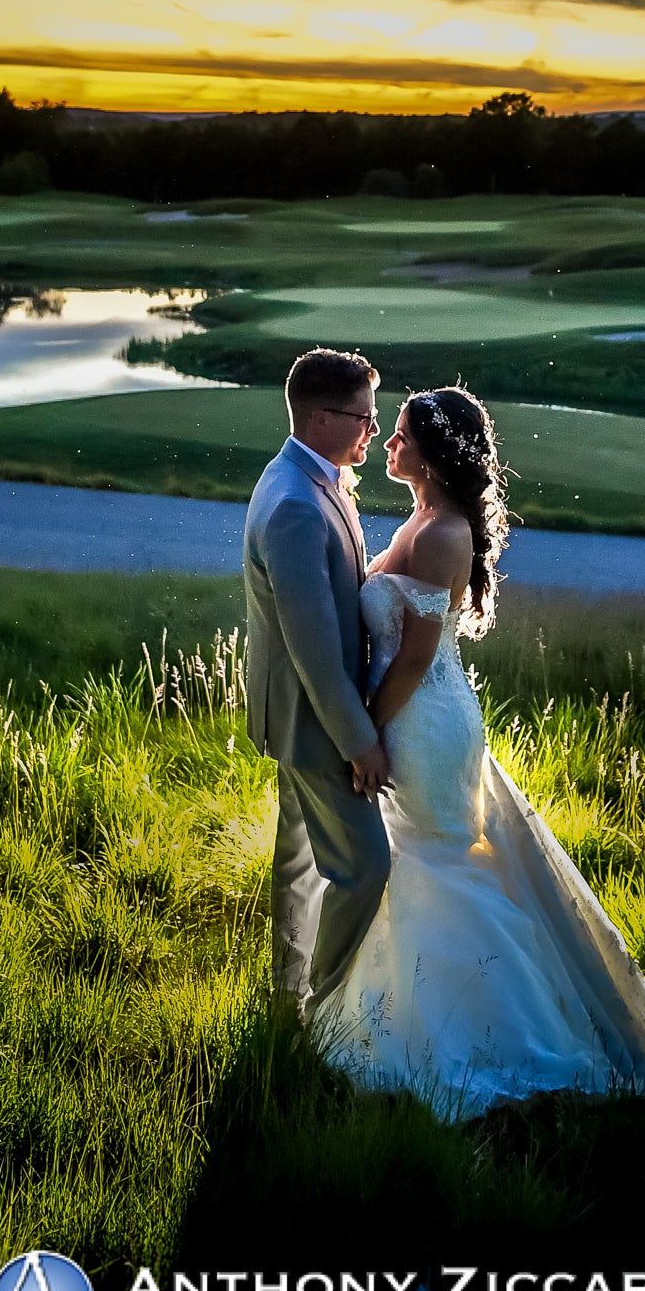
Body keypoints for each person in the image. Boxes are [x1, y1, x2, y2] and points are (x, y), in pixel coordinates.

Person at [308, 383, 645, 1120]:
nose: (387, 445)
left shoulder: (440, 536)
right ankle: (396, 1005)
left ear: (431, 451)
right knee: (416, 861)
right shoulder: (425, 518)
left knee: (437, 860)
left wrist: (360, 730)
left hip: (419, 720)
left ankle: (485, 1031)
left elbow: (415, 660)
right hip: (412, 714)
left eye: (399, 435)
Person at [243, 347, 392, 1010]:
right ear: (319, 416)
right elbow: (314, 650)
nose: (372, 427)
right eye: (362, 416)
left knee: (299, 864)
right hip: (314, 720)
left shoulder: (309, 477)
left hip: (301, 713)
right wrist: (359, 741)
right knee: (364, 868)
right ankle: (326, 1009)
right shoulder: (296, 505)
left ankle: (288, 996)